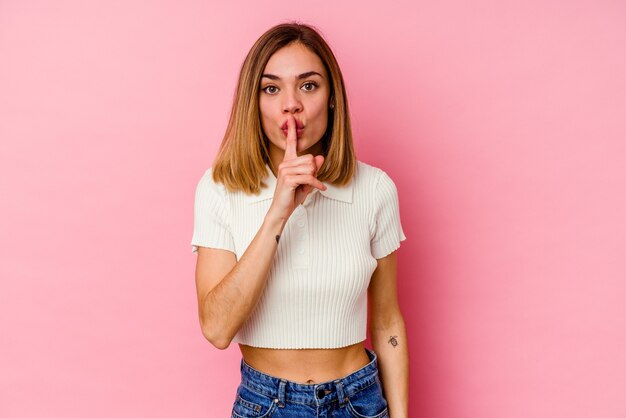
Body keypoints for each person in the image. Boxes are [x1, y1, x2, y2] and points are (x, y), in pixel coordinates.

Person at [191, 22, 408, 417]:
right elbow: (217, 329)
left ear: (331, 98)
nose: (291, 104)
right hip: (265, 403)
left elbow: (387, 321)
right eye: (271, 88)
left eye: (308, 85)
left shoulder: (375, 189)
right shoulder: (220, 188)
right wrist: (278, 211)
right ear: (253, 102)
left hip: (357, 402)